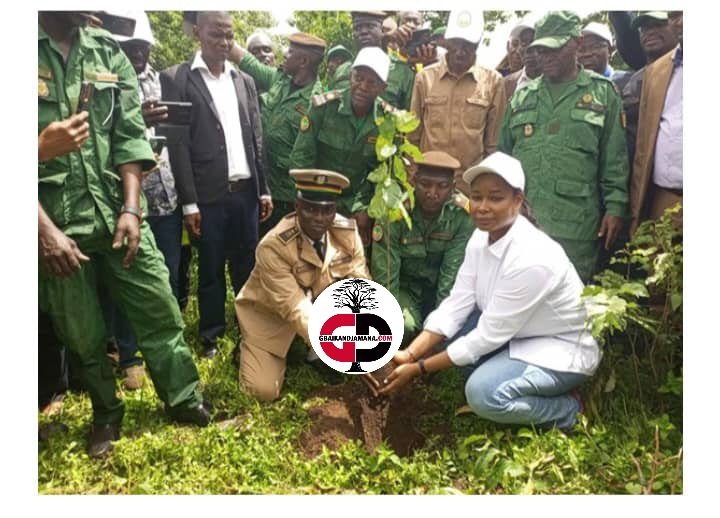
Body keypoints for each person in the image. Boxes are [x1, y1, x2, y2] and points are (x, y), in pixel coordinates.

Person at [38, 11, 210, 459]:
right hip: (54, 224)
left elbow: (128, 135)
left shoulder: (105, 48)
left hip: (118, 213)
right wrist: (42, 226)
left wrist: (132, 208)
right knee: (82, 333)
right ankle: (106, 414)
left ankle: (184, 397)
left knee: (159, 305)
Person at [375, 152, 600, 431]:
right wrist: (410, 353)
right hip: (519, 332)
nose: (482, 207)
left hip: (559, 349)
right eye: (477, 197)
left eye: (495, 198)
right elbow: (457, 303)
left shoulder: (532, 258)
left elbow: (485, 337)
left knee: (483, 395)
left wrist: (419, 368)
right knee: (452, 336)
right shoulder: (481, 237)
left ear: (517, 200)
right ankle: (505, 377)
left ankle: (569, 410)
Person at [160, 11, 273, 358]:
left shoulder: (244, 80)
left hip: (246, 193)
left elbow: (256, 138)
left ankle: (248, 327)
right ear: (197, 33)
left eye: (229, 36)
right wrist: (189, 202)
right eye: (215, 35)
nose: (224, 43)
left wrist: (264, 187)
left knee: (247, 266)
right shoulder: (177, 78)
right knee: (209, 267)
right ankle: (211, 334)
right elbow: (178, 144)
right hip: (208, 196)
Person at [498, 11, 629, 282]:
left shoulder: (603, 93)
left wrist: (615, 208)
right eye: (541, 50)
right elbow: (503, 157)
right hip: (523, 221)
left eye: (555, 48)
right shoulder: (522, 96)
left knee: (569, 305)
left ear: (577, 44)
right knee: (518, 297)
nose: (547, 57)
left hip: (575, 225)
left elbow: (614, 159)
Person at [235, 170, 369, 401]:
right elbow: (294, 307)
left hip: (319, 316)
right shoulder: (274, 246)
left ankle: (310, 349)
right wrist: (336, 345)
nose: (319, 218)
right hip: (272, 318)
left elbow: (361, 287)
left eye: (327, 210)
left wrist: (369, 344)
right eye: (310, 209)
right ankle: (249, 347)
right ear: (296, 207)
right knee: (262, 391)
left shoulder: (346, 232)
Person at [289, 46, 393, 245]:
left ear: (383, 88)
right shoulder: (323, 107)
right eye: (358, 78)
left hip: (354, 202)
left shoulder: (387, 121)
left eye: (372, 82)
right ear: (350, 76)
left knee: (351, 259)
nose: (362, 86)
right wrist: (312, 202)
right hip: (316, 196)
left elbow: (381, 172)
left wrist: (364, 208)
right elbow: (302, 157)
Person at [371, 151, 475, 342]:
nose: (432, 193)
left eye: (442, 187)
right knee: (403, 326)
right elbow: (385, 274)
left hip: (438, 290)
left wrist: (441, 325)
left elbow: (451, 275)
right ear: (413, 181)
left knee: (458, 329)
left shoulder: (461, 217)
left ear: (453, 187)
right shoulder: (394, 211)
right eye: (425, 184)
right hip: (405, 288)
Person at [229, 33, 327, 234]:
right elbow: (243, 59)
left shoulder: (317, 102)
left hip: (286, 198)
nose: (284, 54)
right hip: (257, 187)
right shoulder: (277, 79)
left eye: (290, 51)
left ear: (303, 61)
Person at [410, 9, 506, 195]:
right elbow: (413, 136)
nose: (460, 52)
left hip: (469, 187)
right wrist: (412, 180)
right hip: (428, 187)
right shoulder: (424, 78)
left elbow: (493, 144)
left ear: (478, 42)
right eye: (455, 43)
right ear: (446, 40)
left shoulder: (493, 82)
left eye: (468, 45)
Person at [630, 11, 683, 235]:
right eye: (673, 15)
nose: (680, 21)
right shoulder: (655, 72)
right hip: (665, 198)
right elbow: (643, 145)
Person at [621, 12, 678, 168]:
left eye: (659, 25)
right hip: (645, 180)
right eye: (644, 29)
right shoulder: (634, 83)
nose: (650, 32)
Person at [328, 11, 415, 110]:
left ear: (382, 31)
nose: (363, 31)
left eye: (370, 26)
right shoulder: (342, 69)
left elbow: (410, 115)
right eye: (357, 28)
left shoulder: (402, 71)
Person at [502, 26, 540, 99]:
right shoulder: (503, 83)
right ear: (507, 46)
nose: (518, 50)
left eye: (532, 43)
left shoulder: (552, 77)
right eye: (515, 44)